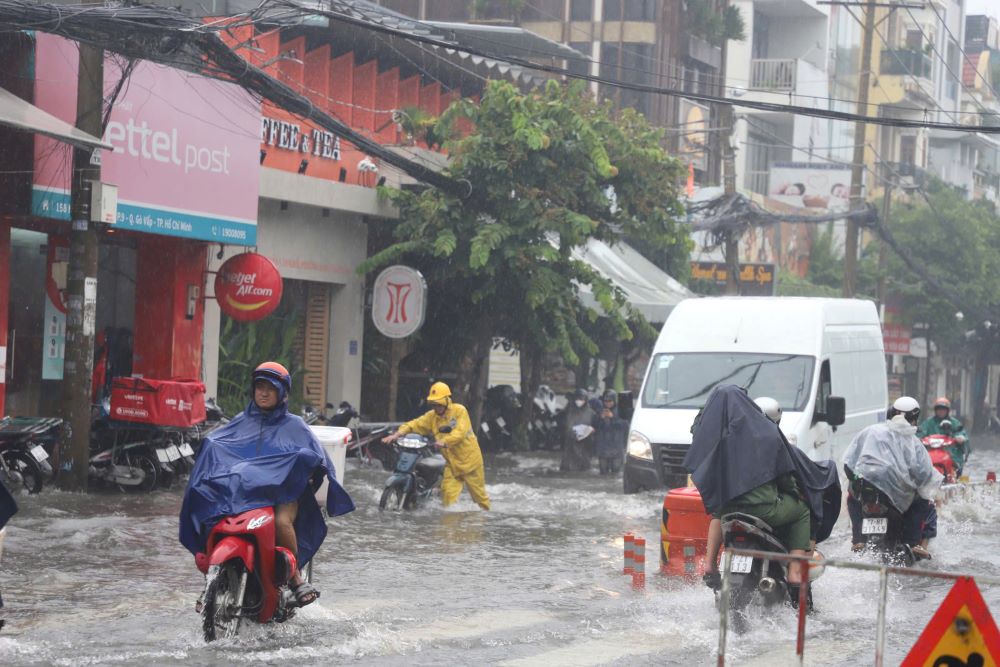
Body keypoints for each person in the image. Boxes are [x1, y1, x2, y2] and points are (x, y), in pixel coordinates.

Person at [180, 362, 355, 607]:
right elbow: (220, 445)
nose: (263, 393)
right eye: (259, 387)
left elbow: (316, 456)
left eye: (270, 388)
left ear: (282, 393)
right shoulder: (241, 422)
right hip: (241, 496)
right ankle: (211, 582)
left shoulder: (295, 426)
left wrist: (303, 465)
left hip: (281, 496)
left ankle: (294, 578)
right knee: (212, 517)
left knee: (282, 523)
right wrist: (209, 449)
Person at [687, 387, 840, 600]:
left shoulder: (717, 441)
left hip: (728, 509)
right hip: (764, 509)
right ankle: (795, 571)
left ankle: (709, 564)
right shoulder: (767, 435)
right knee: (802, 511)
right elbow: (785, 476)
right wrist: (797, 493)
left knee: (716, 514)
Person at [843, 396, 942, 559]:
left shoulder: (871, 431)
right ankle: (913, 542)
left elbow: (848, 462)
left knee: (852, 498)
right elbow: (925, 475)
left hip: (866, 490)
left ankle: (858, 540)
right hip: (896, 498)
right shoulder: (913, 442)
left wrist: (854, 480)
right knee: (923, 502)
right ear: (915, 418)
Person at [384, 382, 490, 510]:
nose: (436, 407)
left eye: (439, 404)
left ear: (447, 400)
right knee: (448, 499)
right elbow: (416, 424)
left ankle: (484, 521)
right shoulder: (432, 417)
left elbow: (460, 433)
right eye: (434, 404)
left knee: (480, 498)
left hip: (470, 463)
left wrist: (445, 441)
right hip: (452, 464)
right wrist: (397, 434)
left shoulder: (459, 411)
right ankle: (449, 528)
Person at [917, 396, 970, 475]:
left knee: (957, 466)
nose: (941, 411)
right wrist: (918, 439)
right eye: (939, 409)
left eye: (943, 409)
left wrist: (960, 438)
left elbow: (961, 433)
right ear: (935, 410)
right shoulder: (928, 423)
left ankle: (955, 474)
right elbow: (920, 433)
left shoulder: (955, 423)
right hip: (931, 453)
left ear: (947, 410)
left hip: (952, 454)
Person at [593, 389, 628, 475]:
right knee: (603, 473)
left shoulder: (621, 411)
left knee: (615, 473)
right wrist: (600, 418)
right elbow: (594, 426)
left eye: (610, 401)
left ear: (614, 400)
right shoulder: (600, 411)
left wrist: (613, 418)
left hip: (616, 449)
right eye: (605, 401)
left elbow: (625, 426)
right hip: (603, 449)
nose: (607, 403)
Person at [560, 389, 595, 472]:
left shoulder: (591, 413)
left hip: (585, 445)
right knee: (567, 468)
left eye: (581, 399)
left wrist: (591, 431)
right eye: (577, 399)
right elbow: (563, 425)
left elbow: (595, 426)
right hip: (570, 444)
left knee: (584, 468)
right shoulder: (569, 411)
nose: (579, 401)